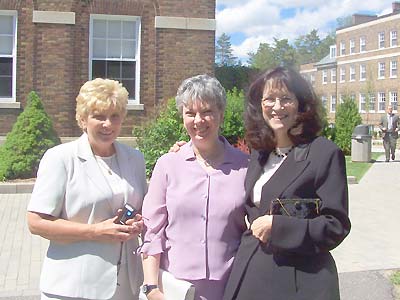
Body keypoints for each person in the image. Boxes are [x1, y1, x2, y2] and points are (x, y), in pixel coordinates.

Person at [222, 67, 351, 300]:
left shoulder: (323, 153)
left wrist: (278, 227)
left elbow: (336, 226)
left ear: (301, 105)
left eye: (286, 99)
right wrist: (187, 149)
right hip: (252, 275)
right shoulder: (259, 154)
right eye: (269, 99)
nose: (277, 107)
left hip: (298, 282)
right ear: (259, 105)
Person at [27, 78, 147, 300]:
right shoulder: (60, 158)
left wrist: (138, 223)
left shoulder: (135, 159)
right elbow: (36, 222)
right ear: (83, 119)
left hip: (125, 287)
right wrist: (95, 231)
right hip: (73, 287)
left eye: (114, 117)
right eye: (99, 116)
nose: (108, 124)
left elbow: (143, 208)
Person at [140, 74, 248, 300]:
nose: (198, 120)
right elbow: (152, 231)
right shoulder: (168, 165)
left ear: (221, 114)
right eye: (190, 113)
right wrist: (151, 288)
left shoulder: (245, 166)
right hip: (176, 289)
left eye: (207, 111)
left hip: (232, 287)